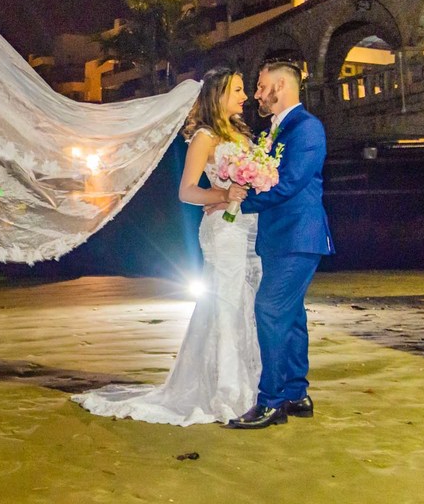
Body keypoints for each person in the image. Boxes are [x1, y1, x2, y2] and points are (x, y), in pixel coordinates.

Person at [71, 67, 262, 425]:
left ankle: (245, 386)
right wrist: (222, 193)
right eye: (237, 89)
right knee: (225, 306)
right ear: (219, 94)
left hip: (248, 228)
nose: (245, 96)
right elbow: (187, 190)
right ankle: (227, 393)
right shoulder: (205, 137)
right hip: (223, 230)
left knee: (242, 303)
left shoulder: (240, 134)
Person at [224, 61, 333, 430]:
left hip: (299, 236)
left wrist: (238, 204)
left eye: (261, 85)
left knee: (269, 309)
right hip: (279, 237)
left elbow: (288, 184)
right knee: (291, 316)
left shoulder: (307, 128)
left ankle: (270, 402)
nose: (256, 93)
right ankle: (295, 393)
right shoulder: (277, 130)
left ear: (281, 85)